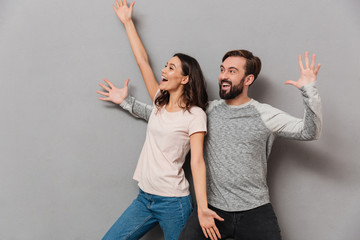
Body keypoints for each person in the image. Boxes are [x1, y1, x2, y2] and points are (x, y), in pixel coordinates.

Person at [122, 49, 322, 240]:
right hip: (213, 210)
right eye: (222, 70)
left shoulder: (265, 114)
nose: (223, 76)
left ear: (248, 79)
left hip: (255, 209)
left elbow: (309, 131)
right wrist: (127, 102)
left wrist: (309, 91)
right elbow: (169, 120)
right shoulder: (208, 111)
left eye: (232, 71)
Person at [96, 1, 222, 240]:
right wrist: (128, 22)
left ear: (185, 79)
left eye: (171, 67)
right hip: (145, 197)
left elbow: (197, 162)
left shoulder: (195, 115)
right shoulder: (159, 102)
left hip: (173, 202)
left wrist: (203, 207)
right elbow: (143, 62)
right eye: (165, 65)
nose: (164, 70)